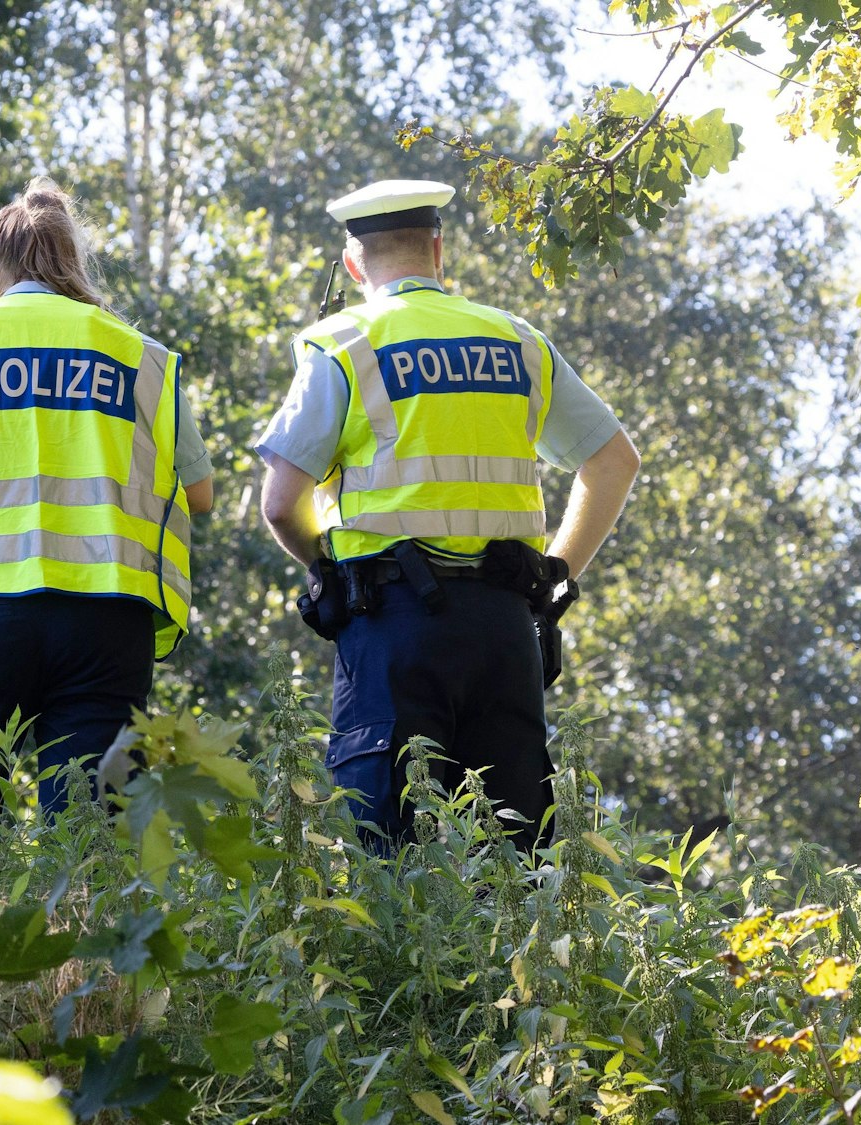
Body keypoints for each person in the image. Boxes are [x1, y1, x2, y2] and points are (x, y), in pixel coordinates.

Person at [255, 179, 640, 848]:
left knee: (386, 854)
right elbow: (614, 462)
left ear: (354, 265)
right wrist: (554, 576)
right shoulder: (517, 340)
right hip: (504, 628)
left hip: (392, 626)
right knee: (511, 860)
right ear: (439, 251)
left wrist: (328, 570)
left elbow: (280, 505)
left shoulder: (343, 343)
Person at [0, 178, 214, 816]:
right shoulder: (141, 356)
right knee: (90, 832)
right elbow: (202, 493)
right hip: (107, 621)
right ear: (72, 265)